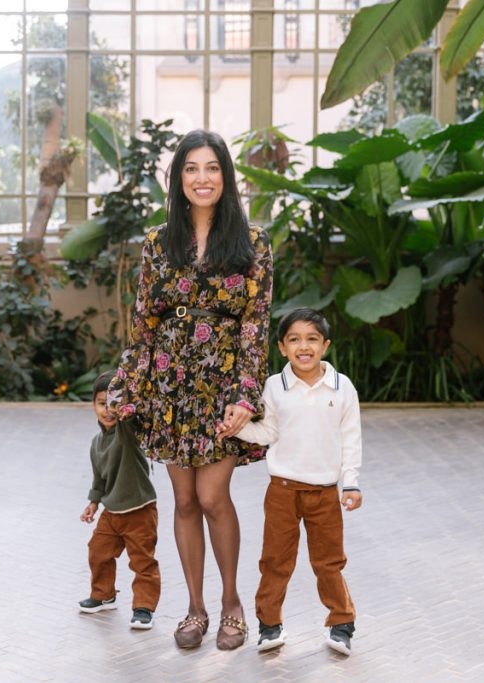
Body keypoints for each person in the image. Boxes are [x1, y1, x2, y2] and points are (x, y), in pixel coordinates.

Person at [107, 129, 273, 650]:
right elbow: (143, 324)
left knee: (212, 494)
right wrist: (126, 388)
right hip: (169, 385)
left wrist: (246, 397)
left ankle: (232, 604)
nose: (202, 178)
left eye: (212, 168)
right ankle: (195, 609)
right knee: (182, 501)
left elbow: (256, 325)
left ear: (226, 176)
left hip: (223, 387)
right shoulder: (158, 243)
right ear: (178, 179)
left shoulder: (254, 244)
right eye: (191, 169)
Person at [235, 307, 363, 656]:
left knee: (328, 561)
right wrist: (236, 428)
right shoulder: (275, 386)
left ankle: (341, 623)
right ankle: (269, 625)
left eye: (311, 339)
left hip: (324, 493)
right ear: (281, 347)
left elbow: (351, 438)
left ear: (325, 345)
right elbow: (268, 431)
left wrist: (350, 483)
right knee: (275, 561)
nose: (303, 346)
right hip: (282, 491)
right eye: (294, 339)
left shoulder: (342, 386)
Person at [79, 371, 160, 630]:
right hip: (112, 512)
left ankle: (143, 608)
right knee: (97, 551)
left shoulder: (126, 432)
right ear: (93, 405)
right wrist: (93, 502)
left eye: (113, 403)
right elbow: (99, 478)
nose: (108, 410)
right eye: (102, 403)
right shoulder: (96, 443)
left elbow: (131, 412)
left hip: (139, 511)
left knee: (142, 561)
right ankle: (104, 595)